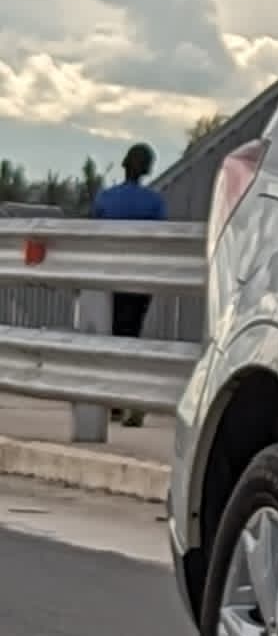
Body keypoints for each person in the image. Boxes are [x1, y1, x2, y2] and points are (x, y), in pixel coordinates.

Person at [90, 143, 167, 427]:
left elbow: (92, 235)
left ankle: (111, 401)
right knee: (131, 334)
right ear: (146, 168)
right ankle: (131, 400)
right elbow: (161, 238)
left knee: (110, 334)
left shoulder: (106, 198)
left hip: (107, 275)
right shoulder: (153, 202)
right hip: (139, 275)